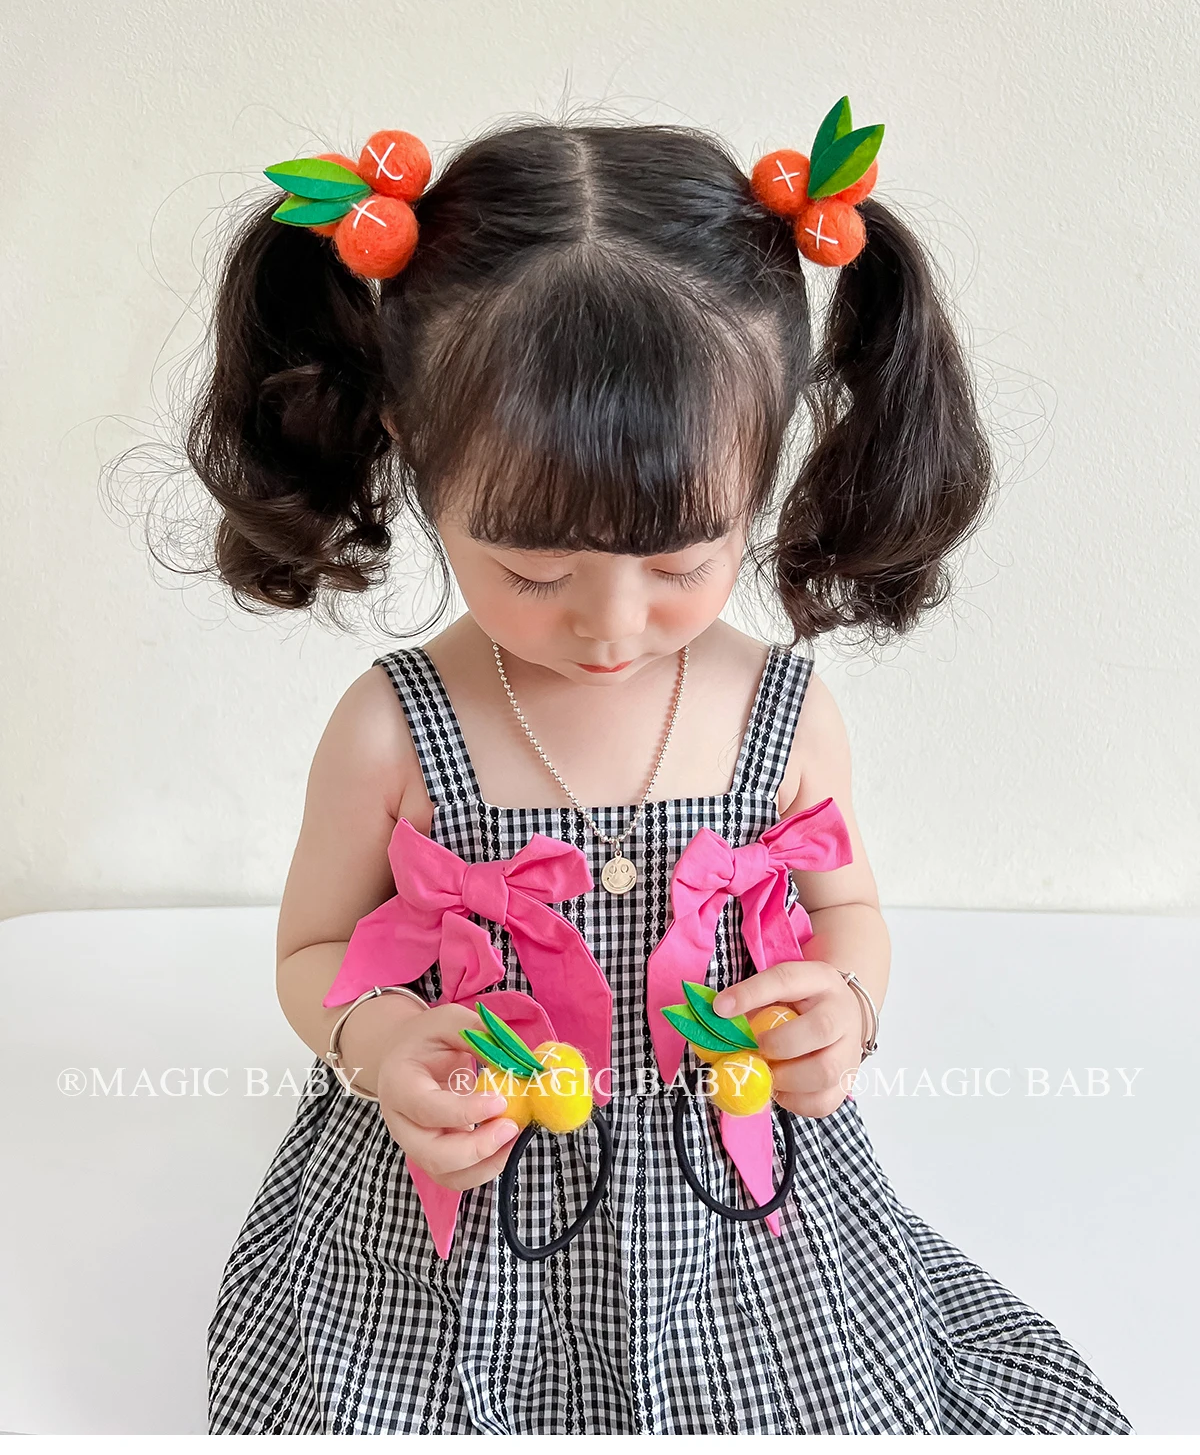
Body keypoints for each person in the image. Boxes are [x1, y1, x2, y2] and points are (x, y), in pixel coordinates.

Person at [188, 110, 1132, 1434]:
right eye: (534, 569)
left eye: (682, 560)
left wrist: (845, 1007)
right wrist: (384, 1041)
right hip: (459, 1203)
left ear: (762, 467)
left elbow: (850, 909)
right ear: (414, 448)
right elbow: (313, 951)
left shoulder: (780, 713)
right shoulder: (391, 727)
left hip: (738, 1208)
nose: (611, 626)